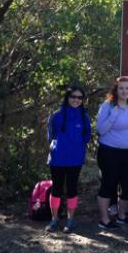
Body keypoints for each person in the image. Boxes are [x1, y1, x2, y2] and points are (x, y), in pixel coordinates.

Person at [95, 76, 128, 229]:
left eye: (127, 88)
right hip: (109, 152)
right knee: (108, 184)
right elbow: (100, 130)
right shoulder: (107, 105)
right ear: (115, 90)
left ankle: (121, 216)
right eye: (121, 88)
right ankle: (105, 219)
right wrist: (113, 115)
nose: (124, 91)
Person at [45, 85, 92, 233]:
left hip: (75, 159)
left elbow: (87, 136)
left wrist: (77, 148)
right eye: (73, 97)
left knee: (72, 189)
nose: (76, 100)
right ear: (67, 98)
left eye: (79, 97)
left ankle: (70, 220)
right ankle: (54, 220)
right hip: (57, 158)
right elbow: (50, 135)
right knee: (56, 189)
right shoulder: (56, 115)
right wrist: (55, 147)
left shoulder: (84, 117)